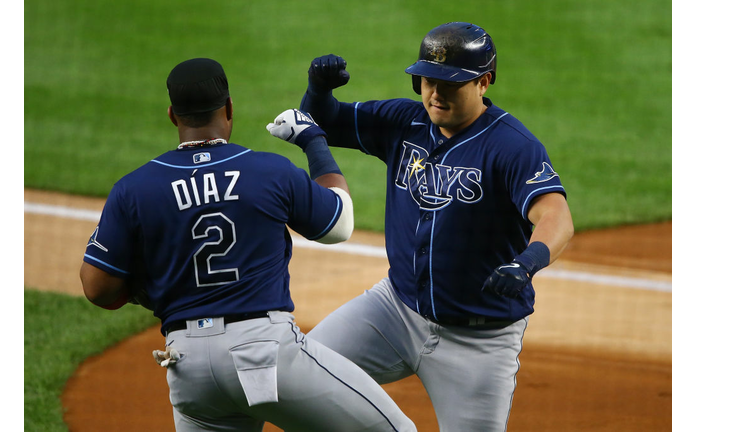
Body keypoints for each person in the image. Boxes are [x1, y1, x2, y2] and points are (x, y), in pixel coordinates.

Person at [80, 57, 416, 432]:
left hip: (187, 365)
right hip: (265, 354)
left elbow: (98, 288)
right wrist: (314, 141)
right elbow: (338, 224)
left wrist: (150, 291)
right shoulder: (267, 170)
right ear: (228, 109)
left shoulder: (134, 189)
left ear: (173, 115)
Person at [298, 22, 574, 431]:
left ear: (484, 82)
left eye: (451, 83)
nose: (436, 93)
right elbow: (322, 120)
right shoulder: (404, 120)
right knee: (300, 374)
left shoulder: (512, 146)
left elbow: (556, 216)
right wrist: (318, 90)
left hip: (479, 343)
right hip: (393, 309)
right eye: (428, 80)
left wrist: (528, 261)